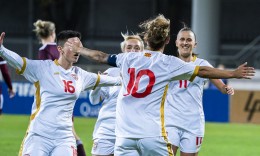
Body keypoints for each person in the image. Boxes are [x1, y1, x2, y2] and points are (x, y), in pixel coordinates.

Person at [66, 14, 255, 156]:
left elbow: (100, 56)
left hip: (124, 136)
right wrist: (232, 73)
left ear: (145, 40)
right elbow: (202, 71)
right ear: (167, 40)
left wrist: (79, 48)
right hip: (152, 135)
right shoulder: (168, 63)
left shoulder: (127, 58)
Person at [0, 30, 121, 156]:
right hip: (39, 135)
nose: (77, 49)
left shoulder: (81, 75)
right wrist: (1, 50)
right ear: (60, 49)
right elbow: (18, 61)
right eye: (72, 45)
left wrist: (130, 76)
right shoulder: (43, 68)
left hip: (65, 138)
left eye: (79, 46)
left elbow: (115, 80)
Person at [164, 26, 234, 156]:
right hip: (170, 121)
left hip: (193, 123)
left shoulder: (203, 64)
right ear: (176, 42)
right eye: (182, 39)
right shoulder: (168, 63)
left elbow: (220, 86)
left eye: (189, 40)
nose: (185, 42)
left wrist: (226, 89)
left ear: (195, 44)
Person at [33, 20, 86, 156]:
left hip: (54, 97)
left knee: (66, 135)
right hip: (67, 92)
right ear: (53, 33)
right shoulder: (65, 47)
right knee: (71, 133)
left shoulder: (44, 50)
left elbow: (45, 73)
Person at [90, 32, 144, 156]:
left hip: (132, 134)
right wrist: (97, 84)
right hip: (107, 131)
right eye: (129, 47)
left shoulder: (147, 76)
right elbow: (94, 100)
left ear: (142, 52)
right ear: (122, 51)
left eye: (137, 48)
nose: (132, 51)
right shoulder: (111, 72)